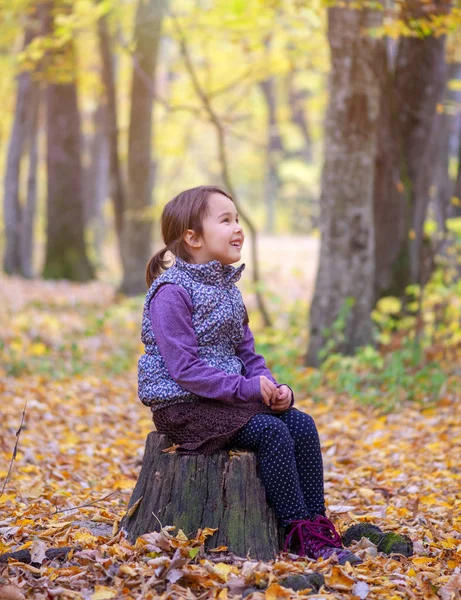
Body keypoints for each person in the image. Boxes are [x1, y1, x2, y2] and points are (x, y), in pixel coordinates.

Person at [138, 185, 359, 565]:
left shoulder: (228, 291)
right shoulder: (171, 293)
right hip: (184, 406)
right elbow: (184, 369)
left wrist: (271, 388)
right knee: (271, 433)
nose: (237, 227)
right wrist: (245, 389)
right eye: (225, 220)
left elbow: (249, 355)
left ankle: (314, 525)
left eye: (237, 219)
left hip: (228, 400)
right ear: (192, 237)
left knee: (301, 424)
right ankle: (295, 528)